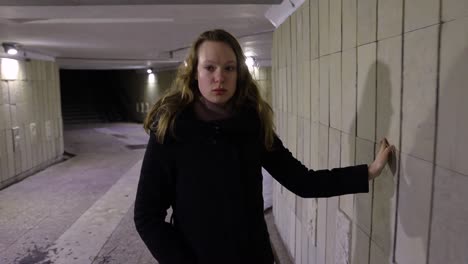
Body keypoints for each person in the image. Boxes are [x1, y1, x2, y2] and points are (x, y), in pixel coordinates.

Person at [134, 29, 394, 264]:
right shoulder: (171, 129)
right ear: (194, 73)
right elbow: (147, 216)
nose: (219, 78)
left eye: (229, 68)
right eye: (209, 67)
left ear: (239, 73)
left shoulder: (251, 125)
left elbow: (302, 181)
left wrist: (367, 172)